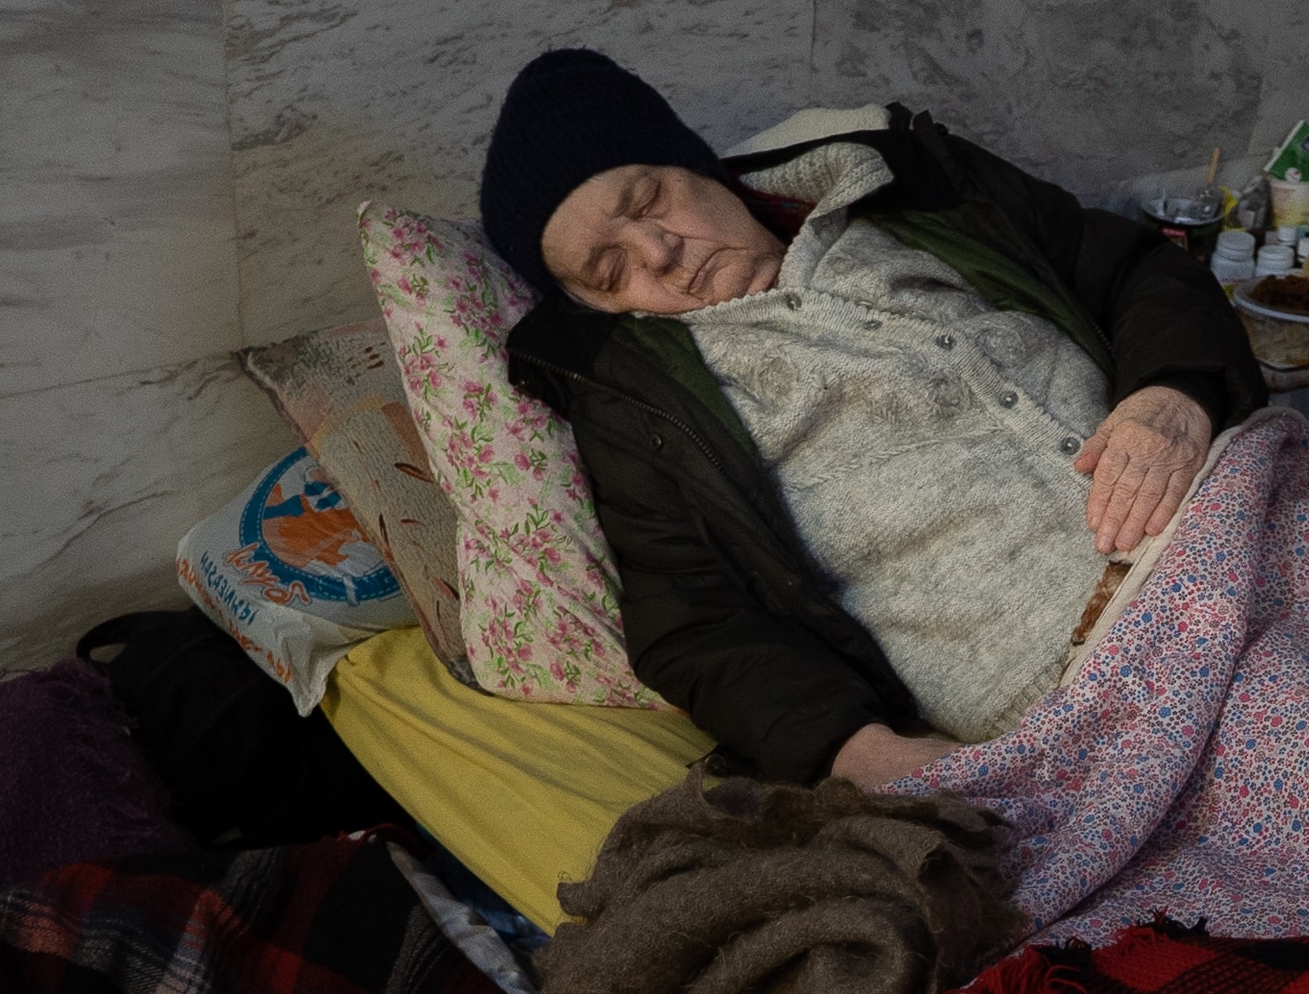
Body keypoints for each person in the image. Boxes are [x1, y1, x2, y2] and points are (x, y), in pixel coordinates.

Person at [490, 50, 1261, 790]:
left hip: (1249, 519)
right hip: (1085, 673)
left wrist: (1173, 394)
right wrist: (850, 748)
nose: (657, 251)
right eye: (610, 269)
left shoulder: (914, 191)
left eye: (648, 200)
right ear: (591, 305)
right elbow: (693, 621)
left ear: (695, 164)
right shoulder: (645, 406)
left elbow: (1132, 267)